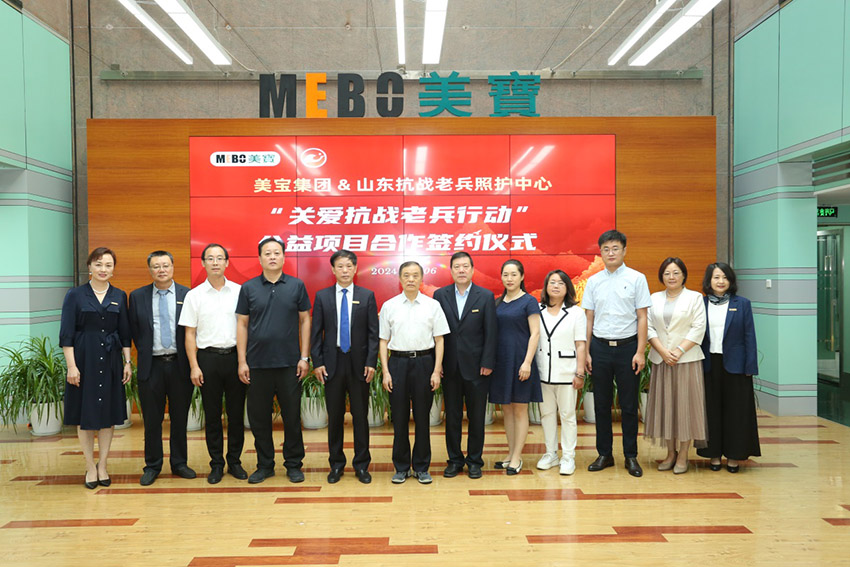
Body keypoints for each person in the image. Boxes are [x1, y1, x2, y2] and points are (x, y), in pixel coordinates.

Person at [236, 237, 311, 484]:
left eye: (276, 253)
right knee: (259, 419)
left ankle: (293, 464)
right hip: (257, 364)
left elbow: (305, 320)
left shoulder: (296, 285)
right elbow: (242, 324)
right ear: (260, 258)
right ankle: (265, 465)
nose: (272, 257)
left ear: (284, 257)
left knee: (292, 418)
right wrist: (242, 361)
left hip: (290, 364)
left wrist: (304, 357)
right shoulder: (248, 288)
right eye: (267, 253)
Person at [60, 247, 132, 489]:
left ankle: (103, 465)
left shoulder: (119, 295)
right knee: (86, 415)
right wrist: (71, 366)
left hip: (111, 360)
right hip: (84, 359)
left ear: (113, 269)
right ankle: (90, 466)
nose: (103, 269)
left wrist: (127, 362)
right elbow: (66, 334)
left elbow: (125, 333)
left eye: (108, 265)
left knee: (108, 415)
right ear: (89, 266)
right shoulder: (75, 295)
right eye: (98, 264)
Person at [582, 230, 651, 477]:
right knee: (601, 404)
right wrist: (586, 352)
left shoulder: (637, 278)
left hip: (628, 348)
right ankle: (605, 454)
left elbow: (642, 317)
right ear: (600, 252)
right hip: (600, 348)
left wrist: (640, 352)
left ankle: (631, 456)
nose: (610, 253)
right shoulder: (593, 281)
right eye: (606, 249)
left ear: (624, 250)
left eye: (615, 248)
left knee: (629, 405)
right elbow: (588, 318)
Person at [178, 244, 247, 484]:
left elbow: (246, 327)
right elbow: (189, 334)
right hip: (207, 359)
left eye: (219, 258)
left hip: (235, 358)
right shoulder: (194, 295)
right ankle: (216, 463)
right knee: (213, 415)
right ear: (203, 263)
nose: (215, 262)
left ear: (227, 262)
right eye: (210, 258)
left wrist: (244, 361)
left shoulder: (240, 292)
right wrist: (194, 366)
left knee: (236, 415)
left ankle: (235, 461)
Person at [311, 250, 379, 485]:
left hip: (359, 365)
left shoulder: (367, 296)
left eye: (349, 266)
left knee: (360, 416)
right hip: (332, 364)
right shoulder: (322, 297)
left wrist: (371, 362)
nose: (345, 270)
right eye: (340, 266)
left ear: (355, 268)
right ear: (333, 269)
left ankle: (361, 465)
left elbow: (373, 334)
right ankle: (336, 464)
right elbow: (316, 333)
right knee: (335, 416)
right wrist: (318, 362)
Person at [380, 261, 450, 485]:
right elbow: (383, 341)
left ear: (421, 278)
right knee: (399, 418)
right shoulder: (389, 306)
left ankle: (421, 467)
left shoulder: (432, 305)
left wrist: (436, 370)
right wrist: (386, 372)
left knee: (422, 418)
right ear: (400, 279)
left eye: (415, 275)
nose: (410, 279)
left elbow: (440, 340)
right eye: (406, 275)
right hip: (398, 364)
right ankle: (401, 467)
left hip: (424, 363)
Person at [129, 250, 195, 486]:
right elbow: (134, 329)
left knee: (179, 418)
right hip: (151, 366)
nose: (161, 270)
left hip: (179, 365)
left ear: (173, 267)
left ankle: (179, 463)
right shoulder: (137, 296)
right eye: (156, 266)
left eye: (165, 265)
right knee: (152, 420)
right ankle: (152, 465)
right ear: (150, 270)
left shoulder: (187, 295)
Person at [433, 252, 497, 480]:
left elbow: (491, 332)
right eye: (457, 266)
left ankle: (475, 461)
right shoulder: (440, 295)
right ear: (451, 270)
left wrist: (487, 362)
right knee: (452, 417)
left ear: (472, 269)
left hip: (478, 368)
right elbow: (436, 333)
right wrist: (437, 364)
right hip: (449, 367)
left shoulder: (485, 296)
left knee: (477, 417)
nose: (461, 270)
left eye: (465, 266)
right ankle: (455, 460)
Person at [644, 257, 707, 475]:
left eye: (676, 273)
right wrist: (663, 351)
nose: (671, 277)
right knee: (666, 408)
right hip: (662, 360)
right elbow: (648, 327)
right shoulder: (654, 298)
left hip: (687, 360)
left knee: (685, 408)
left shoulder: (694, 298)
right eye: (667, 273)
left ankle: (683, 455)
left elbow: (699, 328)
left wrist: (678, 351)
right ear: (661, 276)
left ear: (684, 275)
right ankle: (670, 453)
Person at [696, 262, 761, 473]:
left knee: (736, 412)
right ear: (709, 280)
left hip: (736, 366)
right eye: (716, 277)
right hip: (708, 364)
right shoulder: (700, 304)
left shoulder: (742, 304)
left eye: (725, 277)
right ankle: (713, 455)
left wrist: (750, 366)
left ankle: (734, 456)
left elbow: (750, 336)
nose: (721, 281)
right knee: (711, 411)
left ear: (731, 280)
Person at [489, 259, 541, 476]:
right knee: (507, 410)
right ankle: (510, 454)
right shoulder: (497, 303)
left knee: (520, 409)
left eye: (513, 274)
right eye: (505, 274)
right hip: (502, 362)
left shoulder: (529, 301)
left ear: (522, 277)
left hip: (521, 361)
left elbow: (535, 333)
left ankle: (517, 457)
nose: (509, 279)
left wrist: (527, 362)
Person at [535, 270, 586, 476]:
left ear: (567, 288)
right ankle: (551, 454)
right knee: (546, 414)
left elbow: (580, 344)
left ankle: (568, 457)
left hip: (567, 372)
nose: (556, 286)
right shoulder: (537, 310)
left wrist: (580, 372)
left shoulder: (576, 313)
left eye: (561, 283)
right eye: (552, 282)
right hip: (542, 372)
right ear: (546, 286)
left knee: (568, 415)